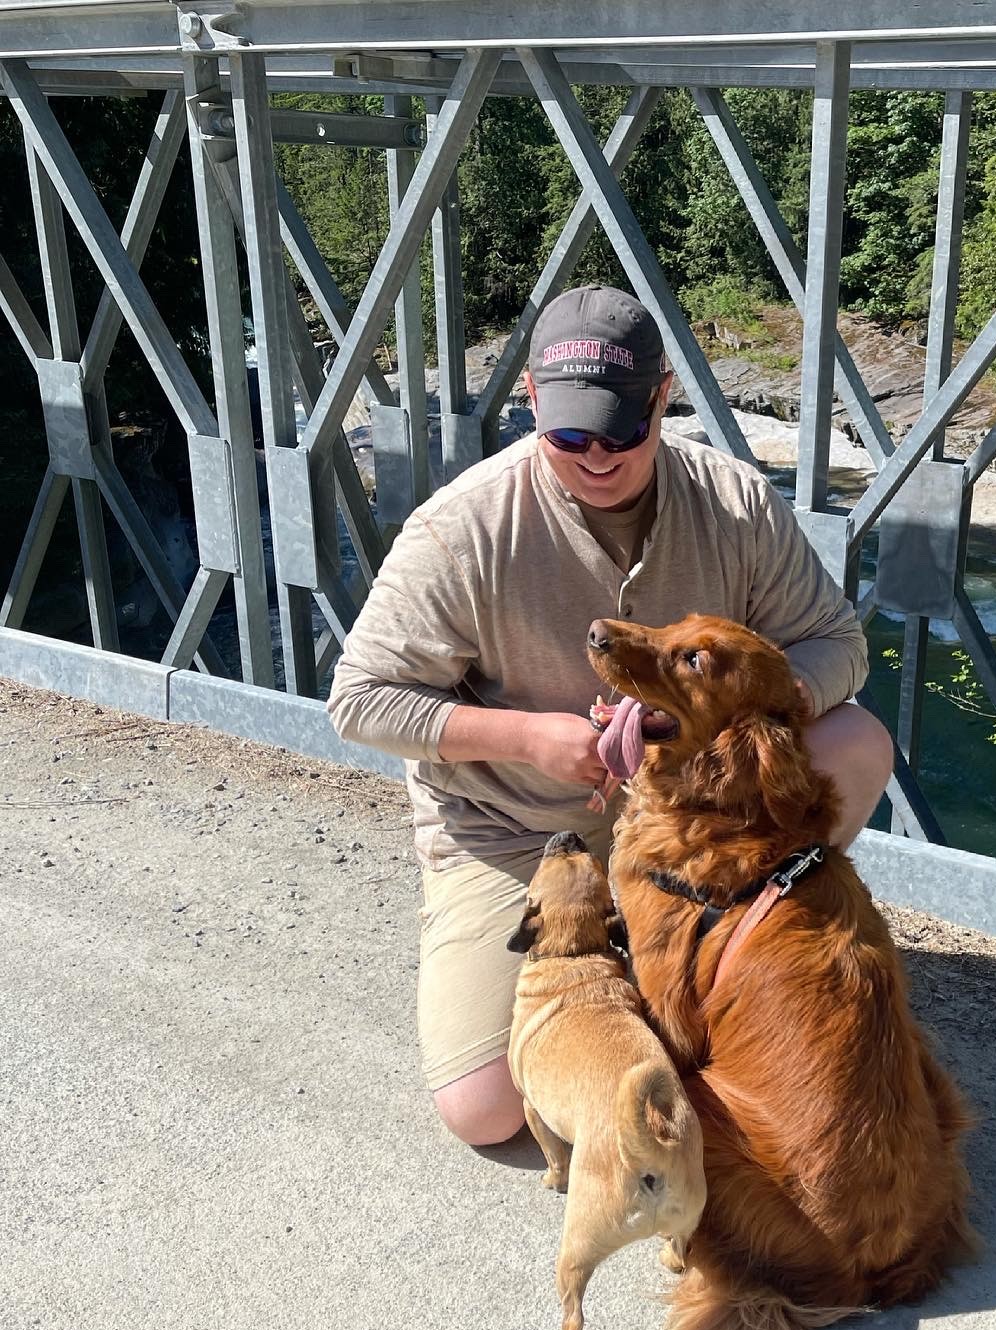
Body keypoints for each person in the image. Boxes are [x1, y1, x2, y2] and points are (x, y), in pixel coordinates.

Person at [328, 284, 892, 1147]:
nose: (598, 457)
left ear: (664, 396)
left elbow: (837, 643)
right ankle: (645, 958)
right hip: (517, 826)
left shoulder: (733, 501)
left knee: (853, 740)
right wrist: (530, 738)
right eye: (568, 436)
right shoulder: (462, 528)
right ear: (529, 405)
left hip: (686, 814)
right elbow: (359, 700)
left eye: (625, 432)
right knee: (483, 1111)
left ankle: (729, 946)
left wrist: (736, 713)